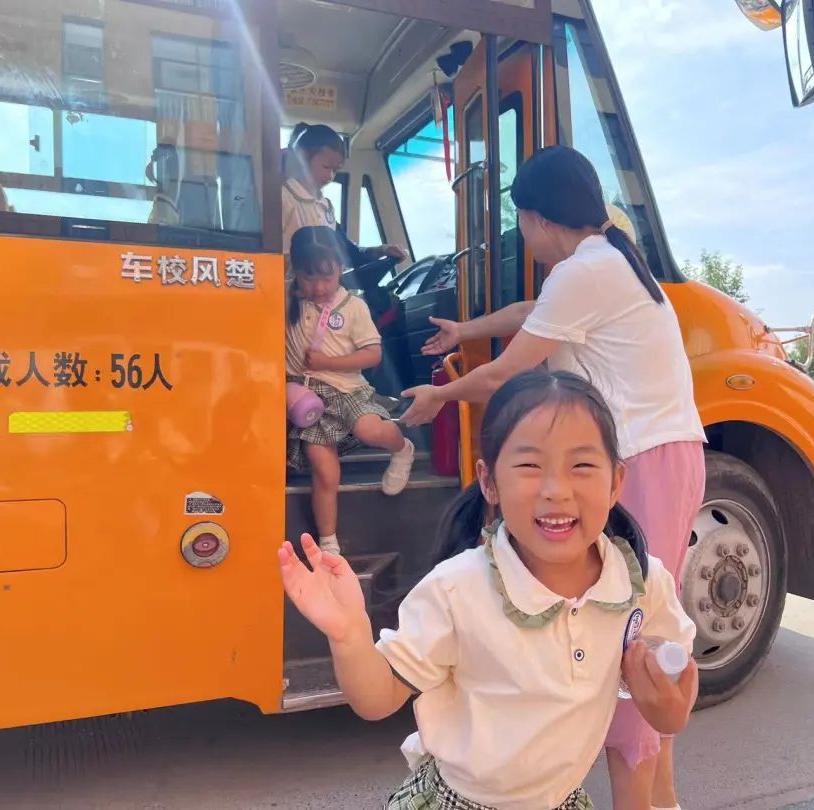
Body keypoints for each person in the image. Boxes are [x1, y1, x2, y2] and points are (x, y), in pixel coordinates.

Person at [401, 145, 707, 810]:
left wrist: (440, 398)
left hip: (640, 460)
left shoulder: (586, 273)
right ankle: (666, 800)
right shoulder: (607, 259)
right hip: (666, 454)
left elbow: (507, 371)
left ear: (540, 219)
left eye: (524, 226)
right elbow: (527, 316)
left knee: (628, 639)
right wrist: (464, 328)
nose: (526, 241)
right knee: (649, 627)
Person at [280, 369, 697, 809]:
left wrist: (665, 700)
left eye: (582, 466)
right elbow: (377, 700)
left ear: (615, 482)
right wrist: (348, 637)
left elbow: (670, 712)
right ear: (490, 482)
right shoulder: (457, 588)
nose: (557, 490)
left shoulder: (640, 583)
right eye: (531, 465)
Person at [286, 226, 415, 556]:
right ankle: (329, 544)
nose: (317, 287)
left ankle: (402, 448)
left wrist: (329, 360)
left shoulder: (353, 307)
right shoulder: (286, 300)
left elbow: (373, 355)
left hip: (348, 390)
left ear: (341, 268)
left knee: (370, 428)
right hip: (308, 399)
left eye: (326, 278)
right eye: (307, 277)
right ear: (294, 271)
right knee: (325, 472)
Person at [282, 122, 405, 265]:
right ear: (302, 158)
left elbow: (348, 251)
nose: (330, 177)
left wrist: (381, 251)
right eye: (326, 167)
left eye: (335, 170)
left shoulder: (325, 207)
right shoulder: (284, 198)